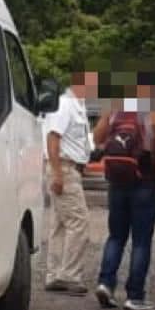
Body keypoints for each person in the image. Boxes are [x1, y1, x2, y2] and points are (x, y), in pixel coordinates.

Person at [92, 94, 155, 310]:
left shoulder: (115, 108)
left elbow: (97, 138)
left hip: (117, 181)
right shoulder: (153, 109)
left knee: (115, 236)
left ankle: (105, 283)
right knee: (141, 241)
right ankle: (135, 295)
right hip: (144, 181)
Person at [43, 73, 94, 296]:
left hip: (67, 166)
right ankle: (70, 274)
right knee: (79, 221)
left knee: (60, 224)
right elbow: (53, 139)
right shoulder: (65, 104)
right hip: (63, 167)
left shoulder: (78, 105)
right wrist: (57, 173)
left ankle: (55, 274)